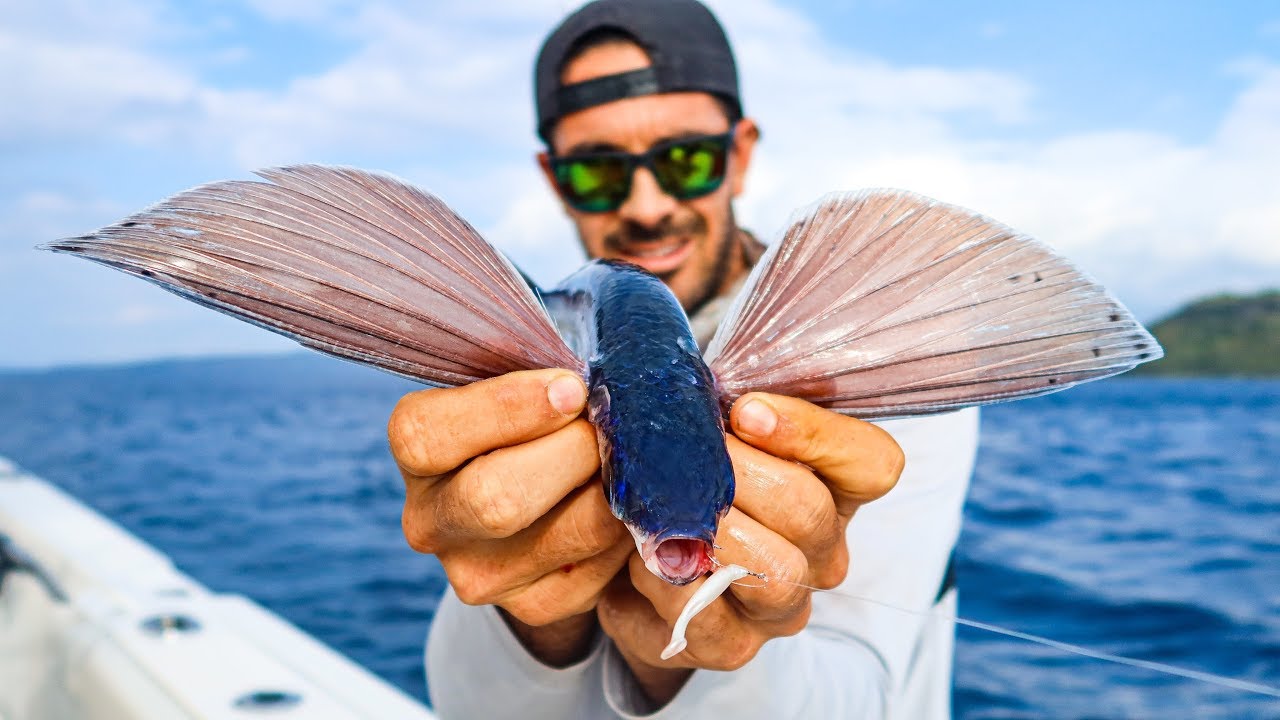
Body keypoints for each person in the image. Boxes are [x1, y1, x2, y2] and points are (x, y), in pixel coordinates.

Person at [388, 1, 979, 717]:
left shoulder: (880, 355)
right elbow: (467, 707)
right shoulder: (520, 376)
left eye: (686, 160)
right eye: (598, 174)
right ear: (553, 177)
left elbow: (863, 692)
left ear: (741, 152)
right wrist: (527, 611)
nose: (646, 204)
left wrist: (700, 662)